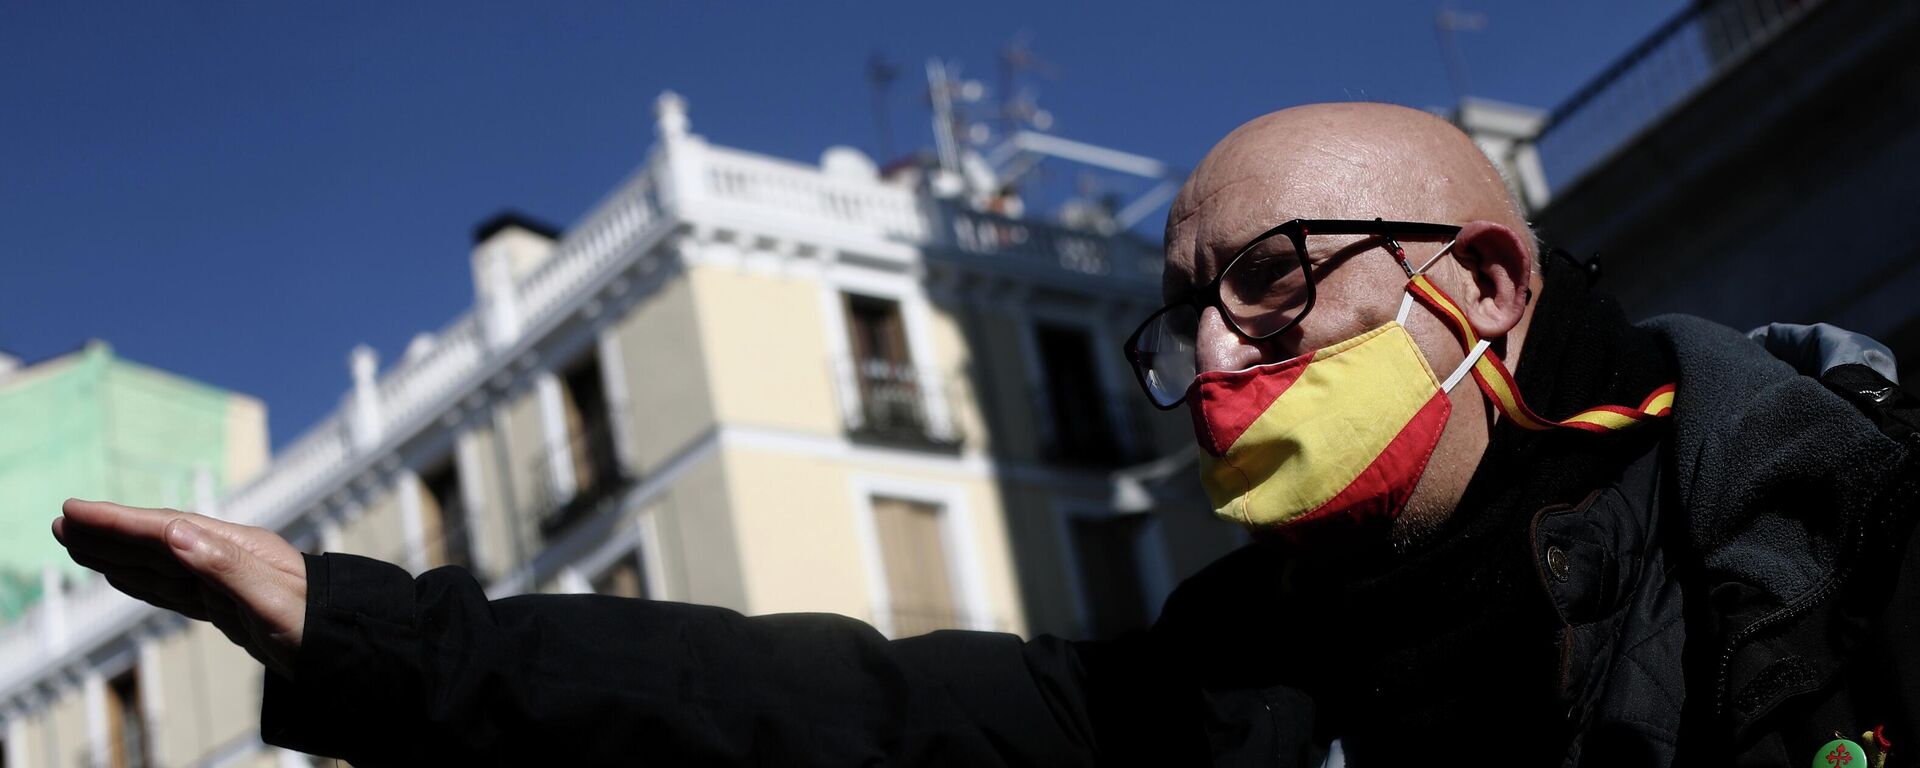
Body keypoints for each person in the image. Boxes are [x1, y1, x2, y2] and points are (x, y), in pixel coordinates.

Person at [53, 103, 1920, 766]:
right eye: (1185, 309)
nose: (1211, 351)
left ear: (1487, 286)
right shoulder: (1221, 684)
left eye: (1272, 280)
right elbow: (821, 713)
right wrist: (363, 629)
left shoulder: (1824, 528)